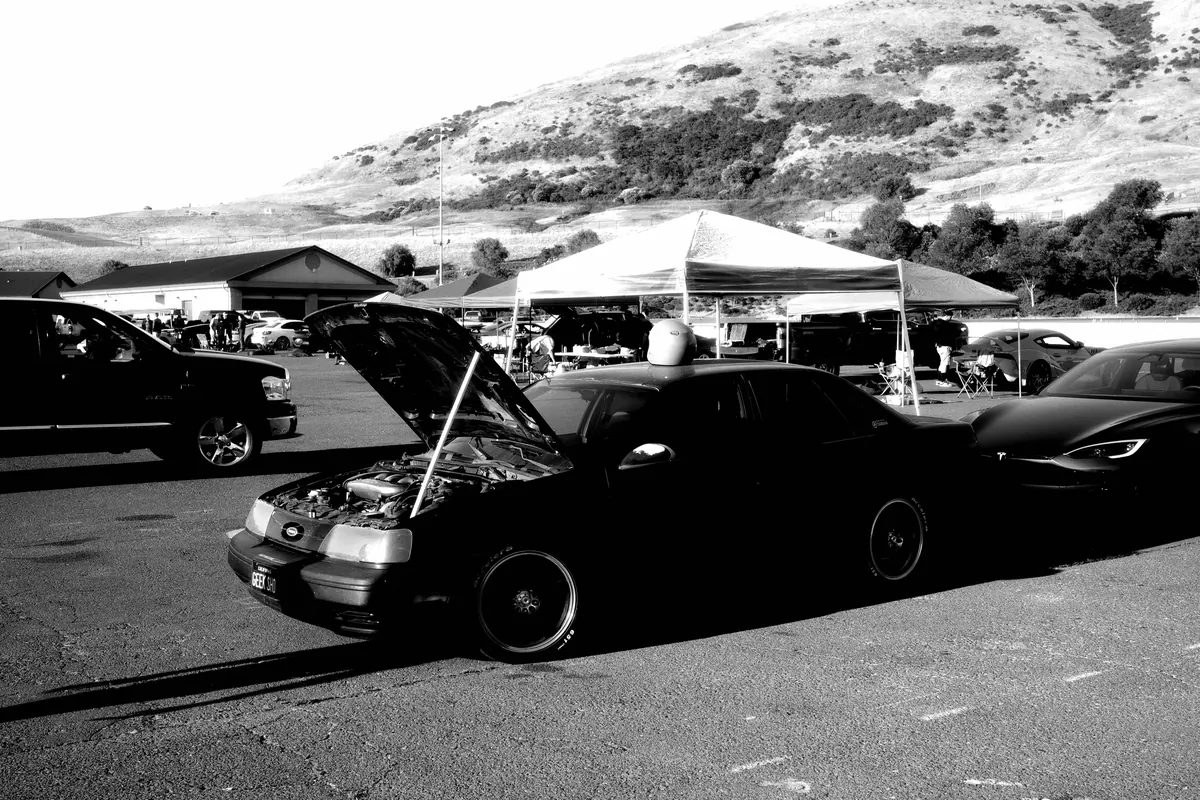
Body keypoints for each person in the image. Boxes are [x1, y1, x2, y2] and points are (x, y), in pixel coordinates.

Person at [931, 309, 960, 388]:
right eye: (950, 316)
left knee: (942, 363)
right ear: (947, 316)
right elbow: (951, 335)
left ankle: (940, 379)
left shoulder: (936, 323)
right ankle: (942, 380)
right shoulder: (945, 325)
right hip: (945, 346)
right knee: (945, 364)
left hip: (939, 346)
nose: (950, 318)